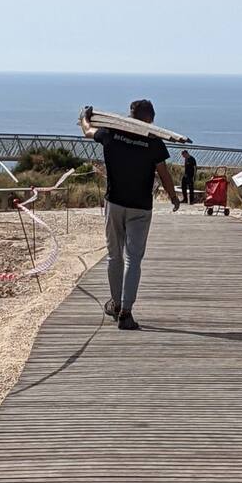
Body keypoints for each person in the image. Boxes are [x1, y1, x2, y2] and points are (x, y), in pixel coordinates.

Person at [81, 100, 181, 330]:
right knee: (133, 259)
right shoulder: (153, 142)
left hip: (114, 202)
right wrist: (174, 198)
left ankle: (115, 304)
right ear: (151, 119)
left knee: (114, 255)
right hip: (141, 207)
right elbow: (164, 174)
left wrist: (85, 116)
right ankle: (126, 311)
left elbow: (87, 130)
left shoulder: (111, 133)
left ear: (129, 115)